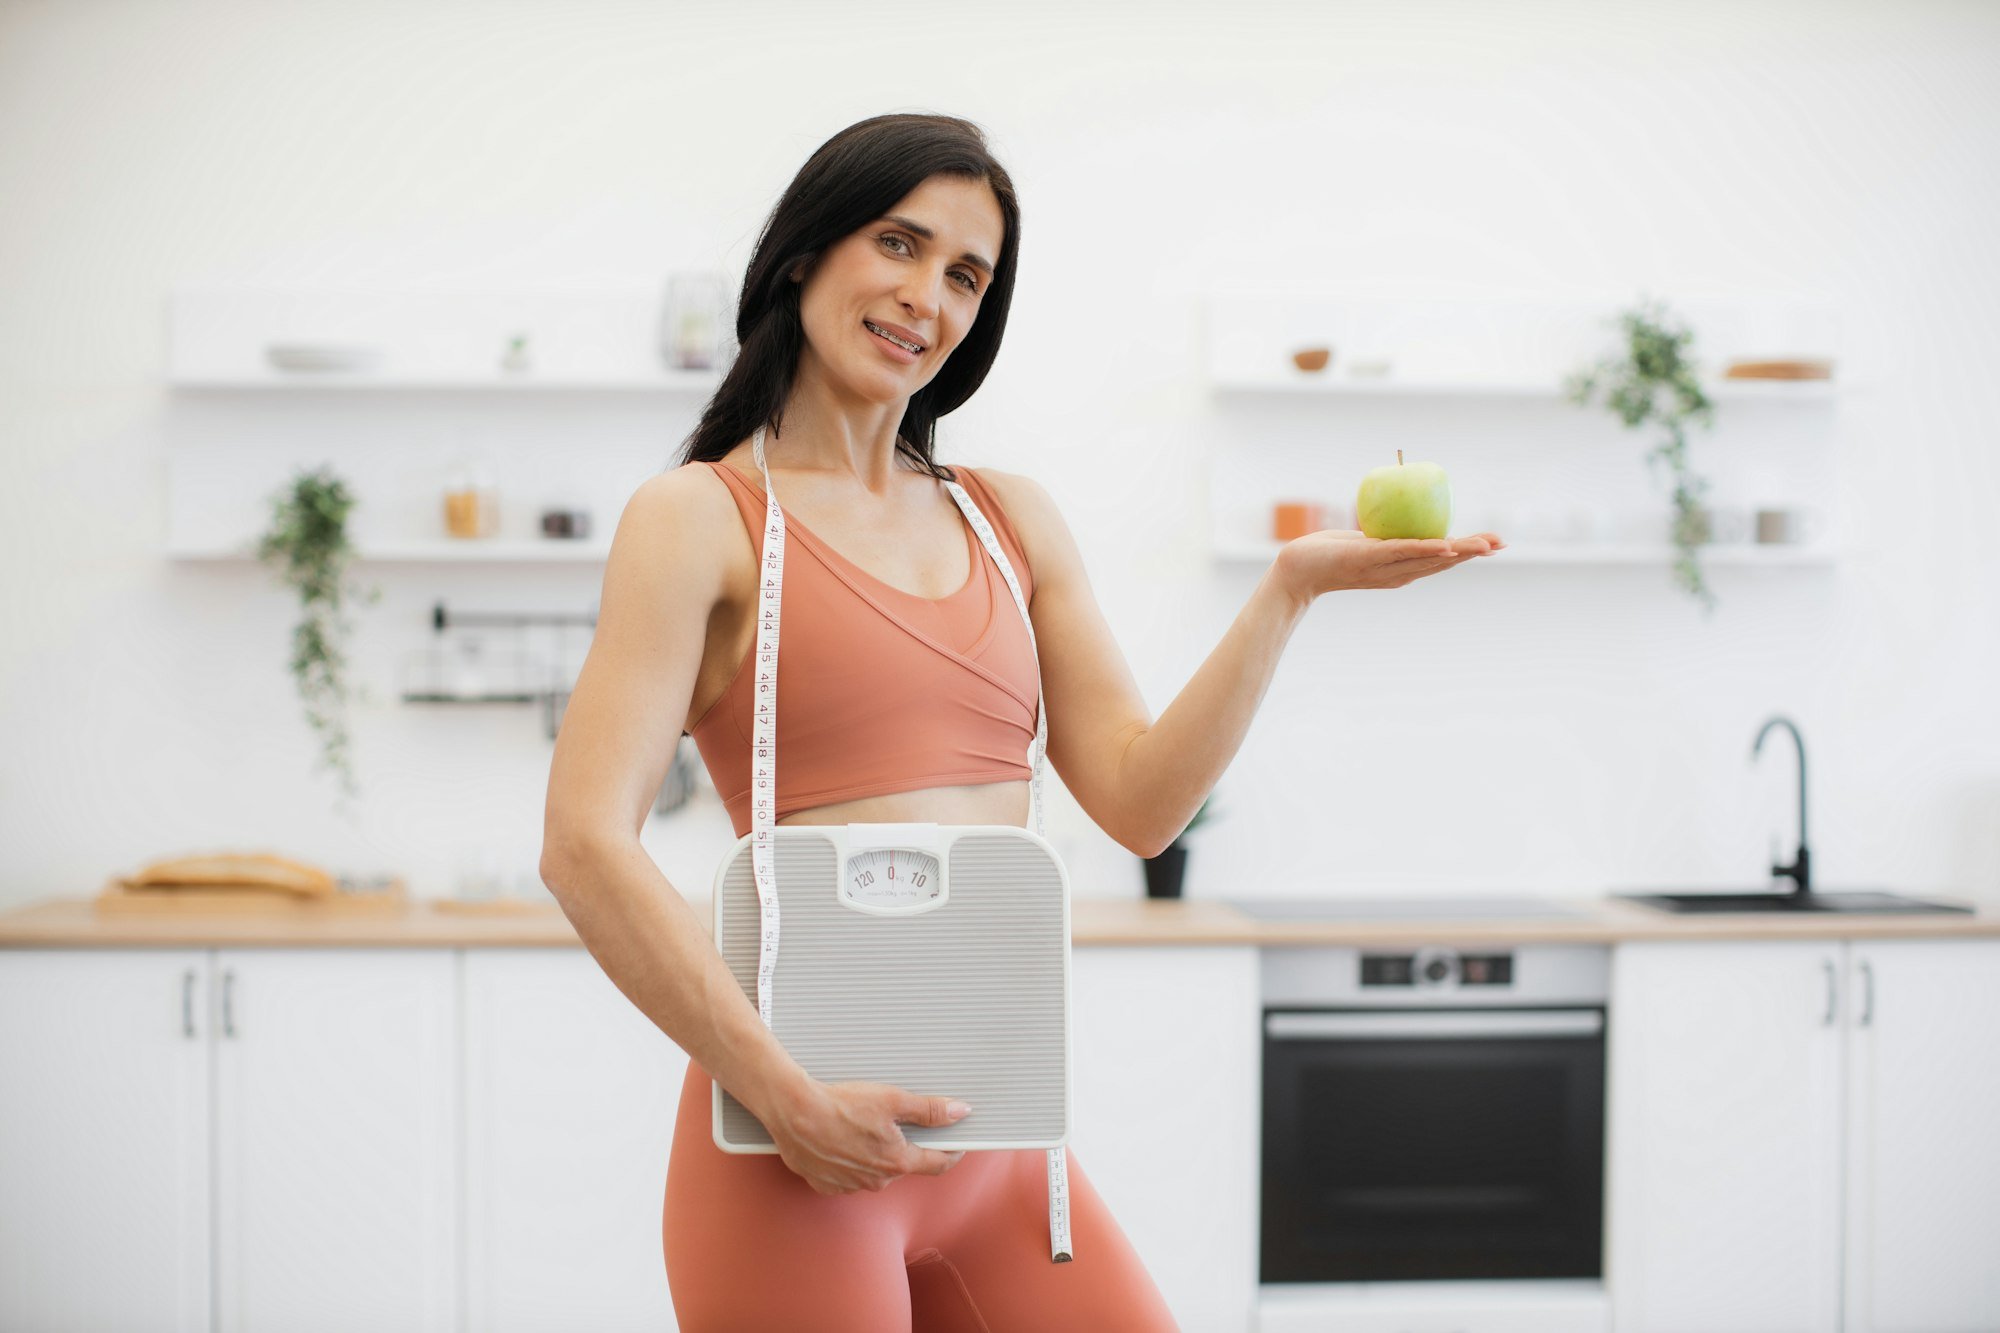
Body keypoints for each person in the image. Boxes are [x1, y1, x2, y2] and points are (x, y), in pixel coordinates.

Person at [539, 112, 1502, 1333]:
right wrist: (785, 1098)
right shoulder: (700, 516)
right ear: (803, 254)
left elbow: (1143, 805)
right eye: (897, 243)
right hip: (795, 1149)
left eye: (963, 275)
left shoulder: (1008, 519)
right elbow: (582, 841)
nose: (923, 296)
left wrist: (1287, 591)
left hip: (1007, 1158)